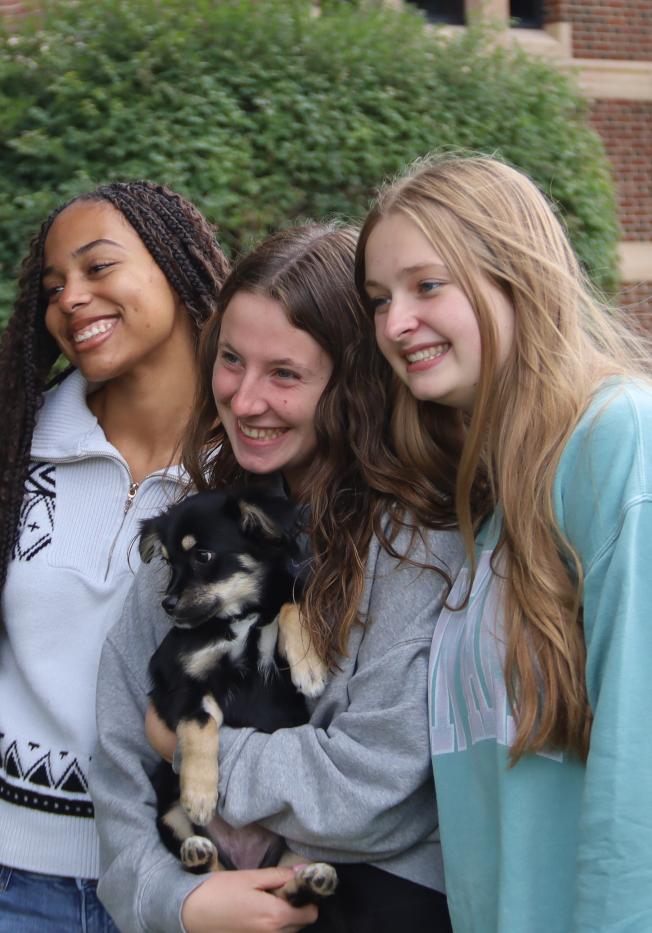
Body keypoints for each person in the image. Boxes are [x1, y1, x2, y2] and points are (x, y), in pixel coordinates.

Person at [90, 224, 464, 933]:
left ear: (354, 385)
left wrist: (192, 747)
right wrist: (178, 899)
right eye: (231, 360)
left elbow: (378, 788)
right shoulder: (193, 535)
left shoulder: (419, 545)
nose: (245, 398)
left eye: (285, 374)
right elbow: (117, 760)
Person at [357, 152, 652, 933]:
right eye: (380, 298)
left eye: (427, 285)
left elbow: (641, 764)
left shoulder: (620, 441)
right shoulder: (487, 502)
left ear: (515, 273)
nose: (395, 323)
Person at [0, 180, 228, 931]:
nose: (71, 298)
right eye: (52, 286)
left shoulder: (255, 465)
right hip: (1, 885)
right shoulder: (4, 454)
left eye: (98, 267)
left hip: (197, 887)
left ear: (178, 267)